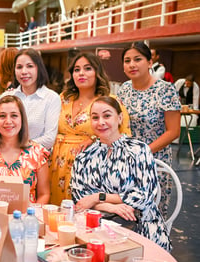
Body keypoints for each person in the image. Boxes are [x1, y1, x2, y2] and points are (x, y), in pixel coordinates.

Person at [71, 96, 171, 251]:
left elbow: (144, 196)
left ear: (119, 118)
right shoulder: (85, 154)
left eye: (107, 115)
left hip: (138, 224)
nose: (101, 122)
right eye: (95, 117)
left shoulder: (138, 150)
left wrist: (98, 197)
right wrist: (112, 207)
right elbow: (79, 198)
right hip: (96, 224)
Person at [49, 52, 130, 205]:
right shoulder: (63, 98)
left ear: (97, 72)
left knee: (83, 213)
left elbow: (123, 136)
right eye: (76, 69)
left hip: (90, 168)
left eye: (87, 68)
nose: (81, 73)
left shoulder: (109, 101)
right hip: (56, 164)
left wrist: (95, 138)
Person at [117, 42, 181, 218]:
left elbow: (174, 131)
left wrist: (144, 152)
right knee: (126, 213)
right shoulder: (124, 89)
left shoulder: (165, 90)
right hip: (127, 161)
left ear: (149, 62)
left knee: (151, 214)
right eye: (127, 60)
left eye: (138, 59)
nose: (132, 64)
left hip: (155, 160)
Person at [0, 95, 50, 204]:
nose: (8, 121)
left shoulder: (38, 153)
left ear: (22, 119)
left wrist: (30, 215)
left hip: (24, 218)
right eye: (2, 116)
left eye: (14, 116)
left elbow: (44, 194)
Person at [1, 48, 61, 150]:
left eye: (30, 66)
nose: (24, 72)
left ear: (39, 68)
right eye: (19, 67)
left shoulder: (51, 98)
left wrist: (18, 146)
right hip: (7, 158)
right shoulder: (5, 97)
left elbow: (49, 139)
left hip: (36, 160)